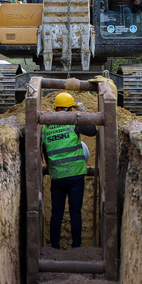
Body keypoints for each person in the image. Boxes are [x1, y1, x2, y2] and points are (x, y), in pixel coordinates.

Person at [42, 92, 96, 249]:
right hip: (75, 175)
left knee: (56, 213)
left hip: (57, 176)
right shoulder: (73, 122)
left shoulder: (47, 127)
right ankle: (77, 246)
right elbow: (92, 130)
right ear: (70, 109)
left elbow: (46, 152)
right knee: (75, 212)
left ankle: (54, 247)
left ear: (56, 109)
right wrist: (84, 114)